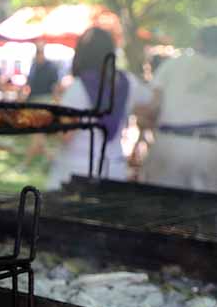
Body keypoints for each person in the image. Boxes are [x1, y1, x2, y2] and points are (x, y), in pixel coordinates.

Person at [142, 25, 217, 193]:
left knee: (162, 208)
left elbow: (152, 107)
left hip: (172, 144)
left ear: (199, 42)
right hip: (216, 149)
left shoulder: (173, 65)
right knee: (205, 213)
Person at [46, 28, 153, 189]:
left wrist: (48, 123)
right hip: (114, 170)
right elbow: (151, 106)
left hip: (76, 173)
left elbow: (66, 134)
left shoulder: (78, 87)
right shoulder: (129, 82)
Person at [21, 40, 62, 167]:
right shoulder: (33, 66)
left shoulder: (51, 67)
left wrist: (56, 104)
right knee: (38, 136)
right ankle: (51, 160)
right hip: (33, 102)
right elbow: (28, 85)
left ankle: (26, 164)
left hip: (44, 102)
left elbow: (55, 88)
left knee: (37, 134)